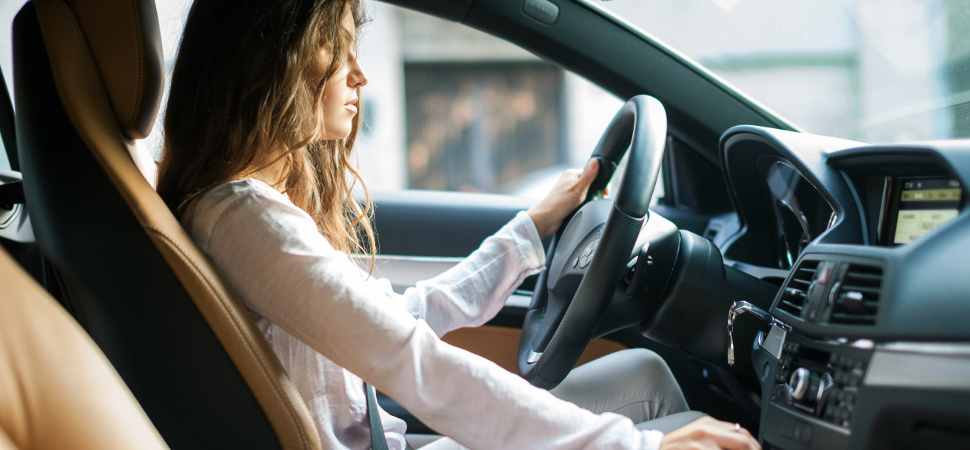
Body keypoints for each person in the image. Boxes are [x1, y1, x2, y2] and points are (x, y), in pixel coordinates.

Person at [156, 0, 760, 449]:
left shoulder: (246, 210)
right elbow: (410, 359)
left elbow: (401, 321)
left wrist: (530, 230)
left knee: (647, 373)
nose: (358, 75)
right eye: (337, 49)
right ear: (272, 63)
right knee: (685, 431)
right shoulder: (245, 218)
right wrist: (639, 446)